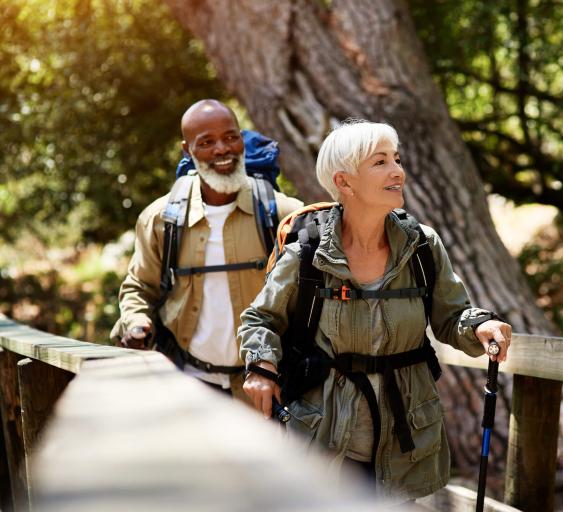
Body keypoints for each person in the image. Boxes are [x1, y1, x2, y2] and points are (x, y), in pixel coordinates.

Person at [237, 120, 512, 500]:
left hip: (405, 438)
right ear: (345, 182)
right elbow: (261, 318)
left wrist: (479, 327)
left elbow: (451, 317)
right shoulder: (308, 253)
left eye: (396, 159)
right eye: (380, 162)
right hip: (328, 435)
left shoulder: (421, 245)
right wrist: (261, 366)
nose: (397, 170)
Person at [111, 99, 303, 398]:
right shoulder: (161, 219)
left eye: (230, 138)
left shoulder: (284, 215)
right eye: (207, 142)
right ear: (187, 150)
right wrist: (137, 322)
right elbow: (139, 287)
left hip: (265, 388)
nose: (222, 149)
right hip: (188, 384)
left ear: (241, 139)